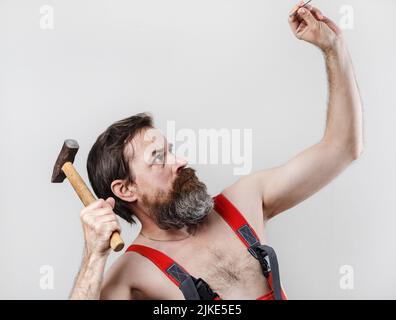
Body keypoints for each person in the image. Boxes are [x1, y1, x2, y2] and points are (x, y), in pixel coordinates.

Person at [69, 2, 363, 300]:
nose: (180, 161)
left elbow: (342, 148)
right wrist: (94, 256)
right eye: (158, 158)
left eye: (171, 150)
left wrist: (333, 47)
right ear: (126, 189)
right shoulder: (133, 275)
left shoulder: (245, 201)